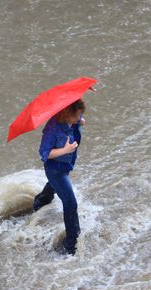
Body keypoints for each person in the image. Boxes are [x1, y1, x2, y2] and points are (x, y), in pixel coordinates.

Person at [33, 99, 86, 255]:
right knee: (70, 203)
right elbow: (44, 154)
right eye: (76, 116)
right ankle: (70, 245)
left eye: (80, 114)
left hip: (67, 163)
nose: (79, 117)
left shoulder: (74, 115)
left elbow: (79, 118)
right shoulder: (52, 129)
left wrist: (80, 121)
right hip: (55, 169)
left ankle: (41, 200)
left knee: (55, 186)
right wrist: (65, 149)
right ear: (67, 114)